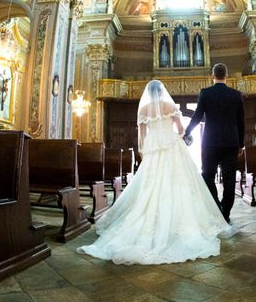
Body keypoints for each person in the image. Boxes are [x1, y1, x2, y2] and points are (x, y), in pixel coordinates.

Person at [77, 80, 235, 265]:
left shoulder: (144, 109)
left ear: (148, 93)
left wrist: (144, 151)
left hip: (153, 148)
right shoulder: (170, 105)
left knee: (152, 184)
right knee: (180, 182)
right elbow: (181, 130)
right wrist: (179, 135)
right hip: (172, 146)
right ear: (162, 91)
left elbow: (142, 137)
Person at [184, 63, 245, 224]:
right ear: (227, 75)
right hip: (231, 143)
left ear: (213, 75)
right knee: (229, 180)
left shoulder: (206, 93)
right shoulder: (236, 94)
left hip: (210, 143)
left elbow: (197, 116)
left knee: (207, 177)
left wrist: (187, 132)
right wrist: (241, 144)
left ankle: (217, 208)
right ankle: (226, 212)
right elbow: (241, 122)